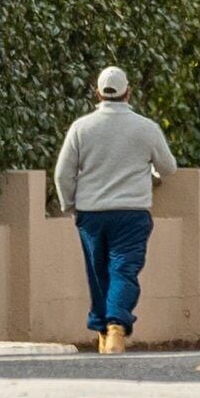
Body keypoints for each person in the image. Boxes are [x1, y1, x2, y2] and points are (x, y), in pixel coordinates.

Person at [51, 65, 177, 354]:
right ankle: (116, 326)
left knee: (98, 272)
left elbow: (62, 173)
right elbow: (168, 167)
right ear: (128, 93)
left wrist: (70, 204)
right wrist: (151, 174)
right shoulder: (147, 128)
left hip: (91, 214)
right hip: (132, 212)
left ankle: (100, 329)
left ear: (97, 93)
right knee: (124, 268)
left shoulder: (81, 128)